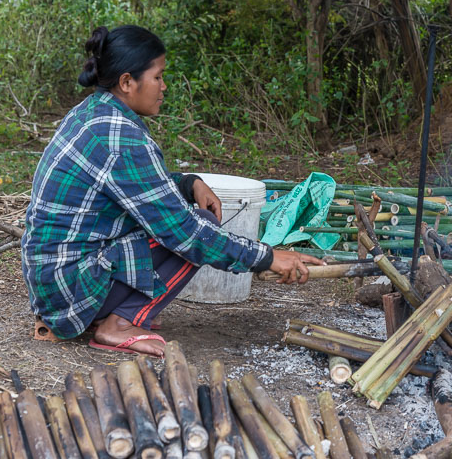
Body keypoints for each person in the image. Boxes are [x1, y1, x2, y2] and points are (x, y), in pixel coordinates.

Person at [21, 25, 323, 357]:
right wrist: (267, 258)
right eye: (158, 77)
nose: (164, 87)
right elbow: (187, 234)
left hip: (53, 282)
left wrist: (188, 182)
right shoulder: (122, 136)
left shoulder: (94, 112)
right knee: (201, 227)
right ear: (127, 82)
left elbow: (139, 185)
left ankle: (115, 309)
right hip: (68, 292)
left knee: (181, 220)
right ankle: (117, 324)